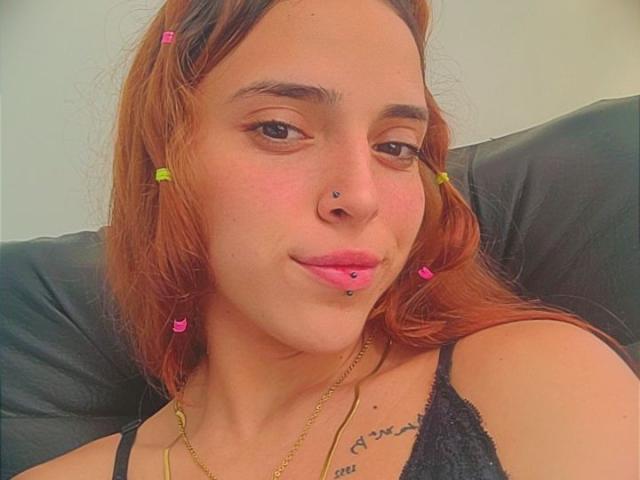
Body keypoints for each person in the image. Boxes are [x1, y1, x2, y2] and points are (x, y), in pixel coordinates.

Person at [13, 0, 638, 479]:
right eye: (280, 130)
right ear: (165, 158)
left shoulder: (542, 381)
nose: (361, 197)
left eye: (396, 147)